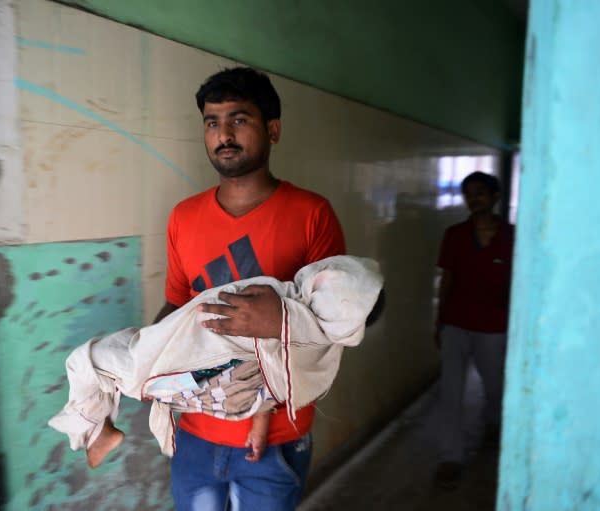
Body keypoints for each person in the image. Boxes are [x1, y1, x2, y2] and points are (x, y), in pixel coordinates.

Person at [154, 67, 346, 510]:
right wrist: (145, 358)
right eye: (211, 122)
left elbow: (334, 323)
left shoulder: (311, 214)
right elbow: (176, 306)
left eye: (239, 120)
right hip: (197, 433)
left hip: (277, 438)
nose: (223, 134)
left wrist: (279, 318)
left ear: (273, 130)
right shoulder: (183, 217)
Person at [47, 255, 383, 471]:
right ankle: (97, 428)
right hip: (210, 390)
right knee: (117, 371)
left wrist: (158, 352)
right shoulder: (321, 345)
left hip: (188, 371)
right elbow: (273, 370)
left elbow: (206, 315)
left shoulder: (275, 298)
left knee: (86, 360)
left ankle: (93, 432)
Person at [433, 171, 514, 487]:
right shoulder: (455, 234)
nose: (474, 198)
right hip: (456, 324)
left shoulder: (511, 237)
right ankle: (450, 457)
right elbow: (447, 279)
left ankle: (494, 424)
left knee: (495, 386)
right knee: (451, 393)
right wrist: (439, 322)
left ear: (495, 197)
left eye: (480, 192)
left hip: (495, 326)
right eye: (468, 193)